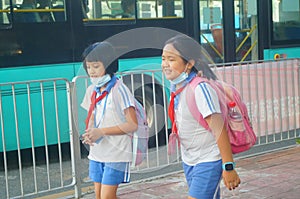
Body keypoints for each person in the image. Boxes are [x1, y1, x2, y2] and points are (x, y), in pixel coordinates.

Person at [161, 34, 240, 199]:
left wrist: (228, 166)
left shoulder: (200, 89)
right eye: (163, 59)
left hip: (209, 159)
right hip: (190, 159)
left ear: (189, 64)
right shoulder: (177, 86)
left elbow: (219, 129)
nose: (165, 64)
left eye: (171, 59)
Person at [80, 41, 138, 199]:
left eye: (96, 66)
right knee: (99, 196)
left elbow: (132, 124)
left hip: (117, 153)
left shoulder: (120, 89)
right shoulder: (92, 89)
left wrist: (101, 131)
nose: (91, 71)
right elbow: (91, 116)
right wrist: (90, 132)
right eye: (89, 67)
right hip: (97, 152)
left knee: (106, 197)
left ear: (109, 64)